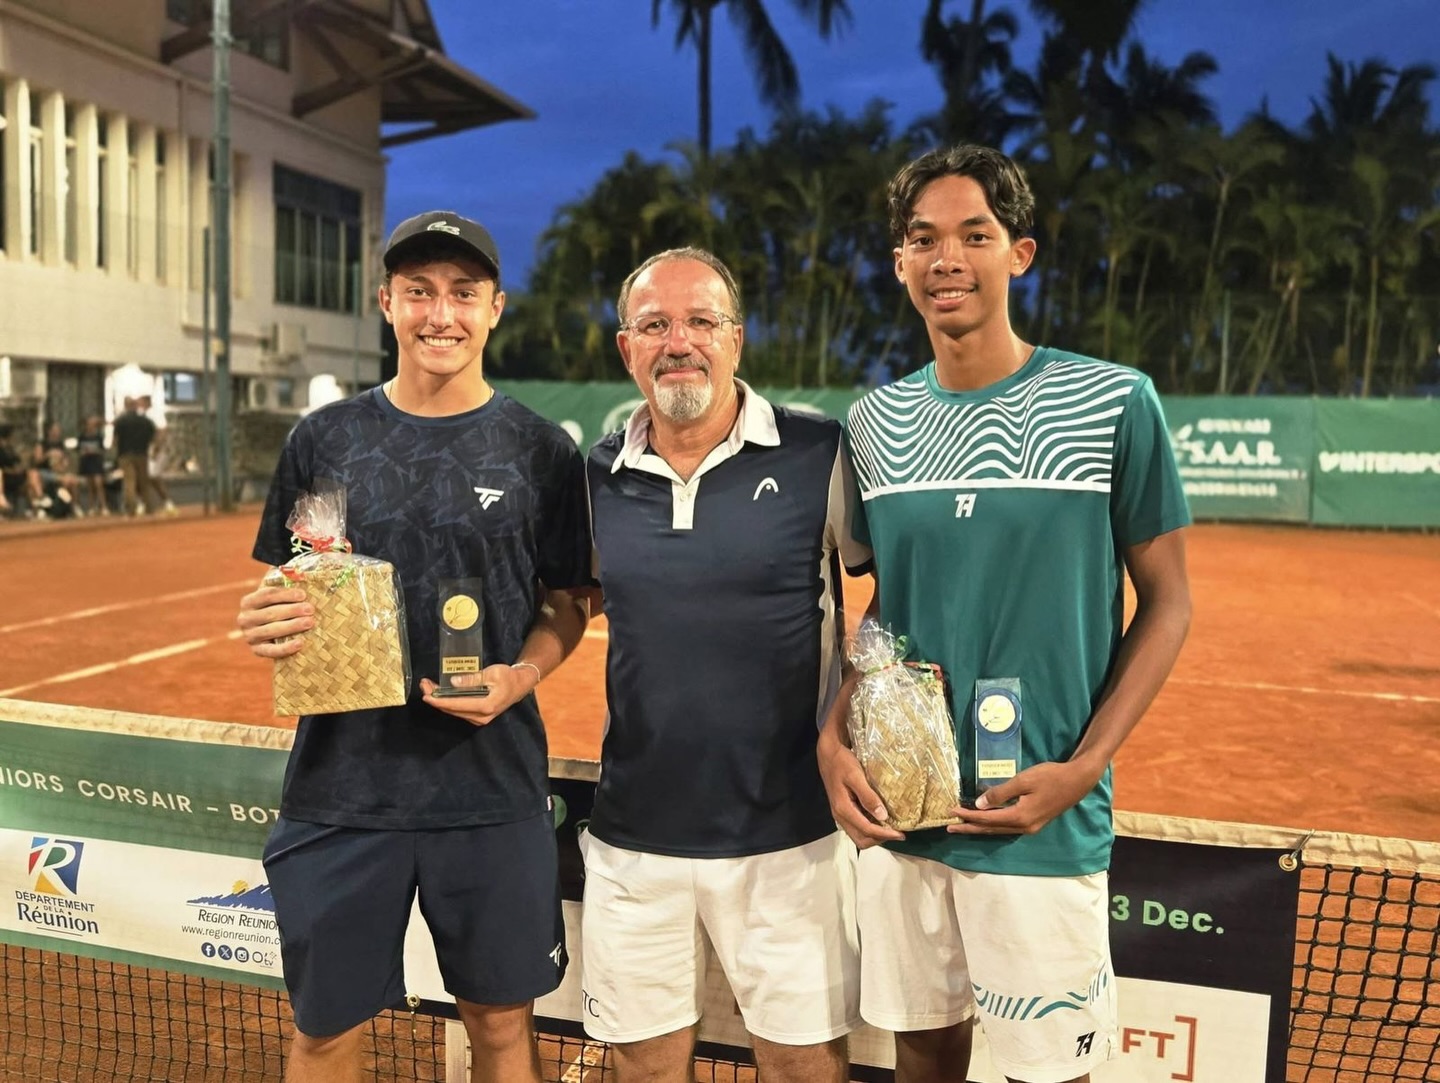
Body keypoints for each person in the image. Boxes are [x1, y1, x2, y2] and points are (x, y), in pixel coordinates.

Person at [818, 144, 1193, 1083]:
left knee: (1047, 1072)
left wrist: (1084, 767)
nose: (946, 257)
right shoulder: (872, 424)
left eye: (972, 235)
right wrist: (834, 739)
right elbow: (877, 608)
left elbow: (1171, 601)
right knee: (924, 1058)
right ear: (899, 264)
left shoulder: (1113, 400)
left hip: (1041, 820)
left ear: (1017, 254)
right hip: (908, 815)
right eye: (922, 239)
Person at [234, 211, 592, 1083]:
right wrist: (266, 615)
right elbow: (291, 581)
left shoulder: (542, 450)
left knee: (504, 1033)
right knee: (324, 1035)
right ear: (385, 303)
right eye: (420, 292)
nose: (442, 314)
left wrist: (521, 675)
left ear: (495, 308)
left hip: (493, 790)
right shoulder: (322, 439)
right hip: (341, 793)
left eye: (463, 294)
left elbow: (570, 603)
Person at [582, 247, 867, 1083]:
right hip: (635, 838)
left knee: (800, 1065)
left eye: (701, 321)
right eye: (655, 325)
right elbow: (560, 602)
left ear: (736, 339)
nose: (680, 341)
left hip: (791, 840)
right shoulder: (595, 474)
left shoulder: (818, 452)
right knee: (644, 1069)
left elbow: (901, 593)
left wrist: (851, 713)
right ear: (626, 348)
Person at [113, 396, 160, 516]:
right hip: (141, 454)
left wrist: (116, 454)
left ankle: (131, 508)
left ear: (125, 406)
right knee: (143, 481)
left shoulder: (120, 421)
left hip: (125, 454)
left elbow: (115, 440)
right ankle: (148, 507)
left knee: (129, 481)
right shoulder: (145, 421)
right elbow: (154, 437)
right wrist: (154, 450)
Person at [137, 395, 179, 515]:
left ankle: (167, 502)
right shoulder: (142, 416)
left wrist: (156, 448)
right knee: (144, 477)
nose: (139, 405)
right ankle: (144, 503)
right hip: (146, 449)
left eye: (140, 402)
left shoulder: (155, 414)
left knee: (153, 476)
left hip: (157, 450)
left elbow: (162, 431)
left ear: (146, 402)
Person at [76, 415, 109, 516]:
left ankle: (103, 506)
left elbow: (102, 450)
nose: (90, 426)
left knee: (98, 483)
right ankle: (91, 507)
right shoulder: (82, 437)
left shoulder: (98, 437)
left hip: (96, 462)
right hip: (86, 462)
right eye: (88, 424)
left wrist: (94, 451)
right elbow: (78, 450)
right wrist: (84, 452)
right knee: (90, 485)